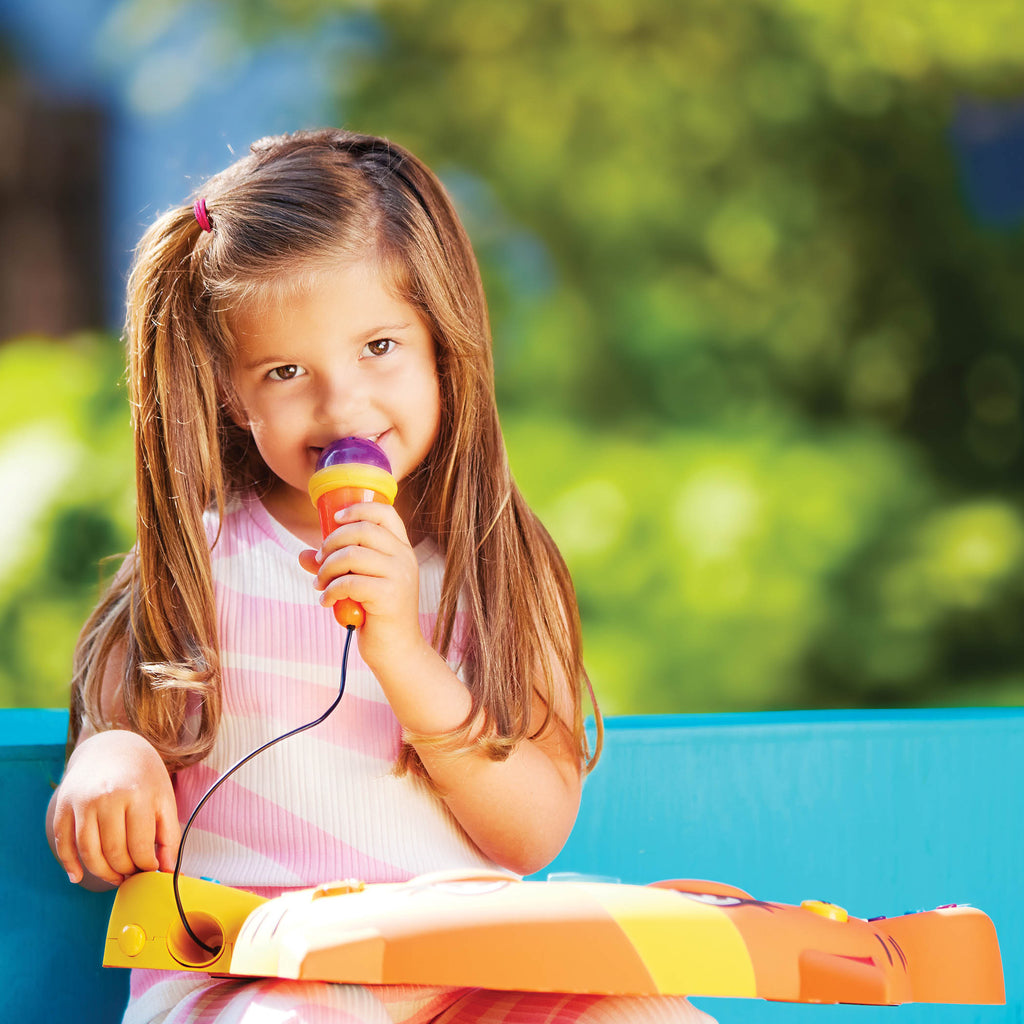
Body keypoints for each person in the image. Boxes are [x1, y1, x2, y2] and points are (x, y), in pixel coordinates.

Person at [46, 129, 715, 1024]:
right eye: (286, 371)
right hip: (252, 978)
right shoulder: (199, 564)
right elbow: (113, 740)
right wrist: (111, 762)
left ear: (441, 342)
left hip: (473, 979)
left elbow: (532, 833)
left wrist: (402, 650)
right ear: (233, 394)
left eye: (379, 347)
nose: (343, 404)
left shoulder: (490, 564)